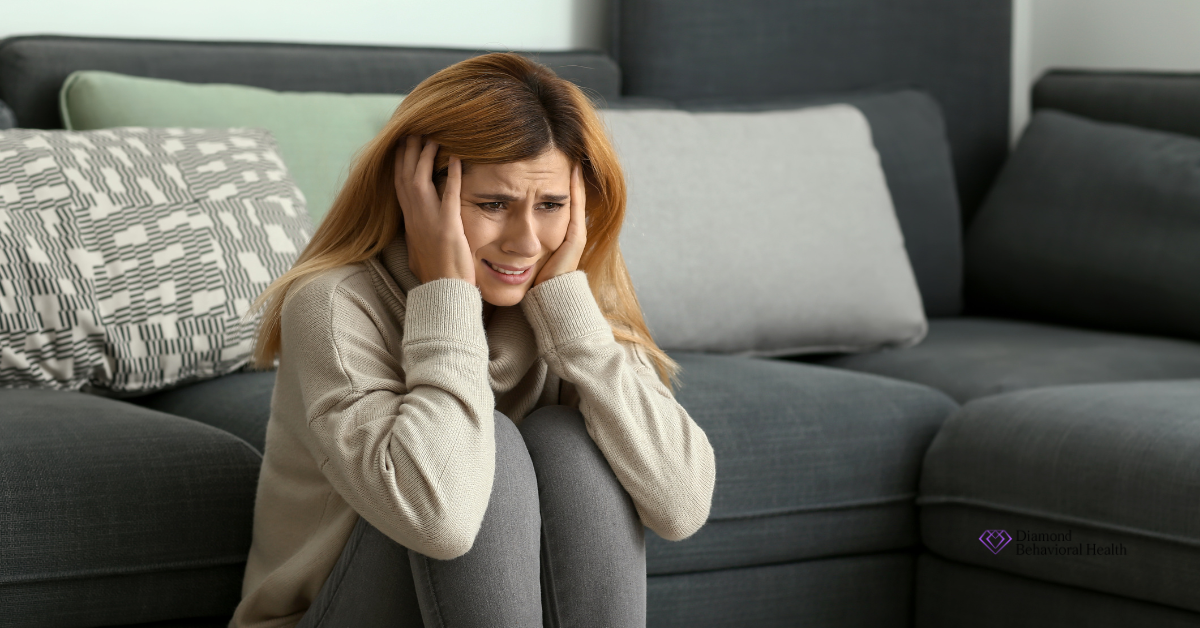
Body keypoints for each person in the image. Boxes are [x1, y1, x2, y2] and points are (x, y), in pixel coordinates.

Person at [230, 52, 717, 628]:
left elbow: (681, 508)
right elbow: (442, 518)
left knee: (571, 443)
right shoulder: (335, 304)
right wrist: (446, 297)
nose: (525, 241)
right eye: (492, 204)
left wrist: (577, 329)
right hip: (330, 612)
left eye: (551, 205)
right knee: (494, 452)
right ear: (418, 196)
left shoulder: (566, 292)